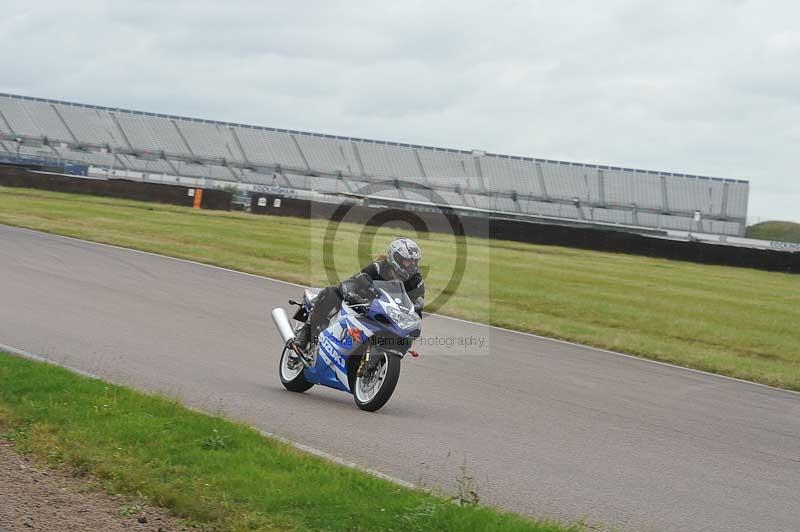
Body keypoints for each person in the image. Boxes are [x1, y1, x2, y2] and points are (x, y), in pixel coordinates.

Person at [293, 237, 424, 352]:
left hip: (390, 316)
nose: (411, 265)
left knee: (409, 332)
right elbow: (351, 282)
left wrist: (415, 312)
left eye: (414, 262)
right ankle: (307, 330)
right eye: (408, 261)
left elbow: (416, 308)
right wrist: (350, 293)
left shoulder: (416, 281)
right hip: (364, 305)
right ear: (395, 258)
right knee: (332, 292)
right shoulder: (378, 268)